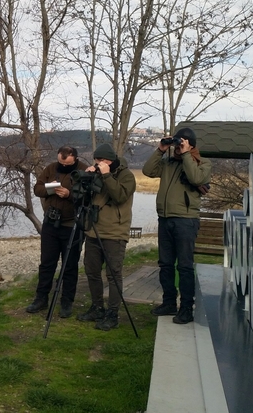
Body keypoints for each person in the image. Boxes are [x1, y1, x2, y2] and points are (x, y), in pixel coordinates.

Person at [142, 127, 212, 325]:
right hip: (164, 219)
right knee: (165, 264)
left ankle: (186, 308)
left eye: (181, 143)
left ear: (190, 144)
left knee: (184, 266)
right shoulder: (168, 163)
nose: (178, 148)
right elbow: (147, 171)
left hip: (185, 220)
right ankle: (169, 302)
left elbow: (196, 179)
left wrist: (187, 153)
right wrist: (161, 149)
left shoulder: (203, 163)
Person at [76, 143, 136, 331]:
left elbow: (119, 196)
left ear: (111, 161)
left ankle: (112, 313)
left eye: (103, 160)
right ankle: (97, 308)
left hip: (114, 232)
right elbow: (83, 200)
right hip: (93, 230)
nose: (100, 163)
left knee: (113, 274)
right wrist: (86, 179)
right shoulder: (96, 172)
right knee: (92, 271)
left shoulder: (127, 176)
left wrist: (106, 175)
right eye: (97, 160)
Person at [26, 146, 89, 317]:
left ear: (75, 159)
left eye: (67, 163)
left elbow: (89, 196)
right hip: (51, 223)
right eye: (61, 162)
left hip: (72, 224)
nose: (63, 166)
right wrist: (51, 189)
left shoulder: (84, 170)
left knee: (69, 265)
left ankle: (66, 302)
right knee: (47, 263)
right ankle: (41, 299)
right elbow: (37, 189)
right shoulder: (50, 168)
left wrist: (69, 194)